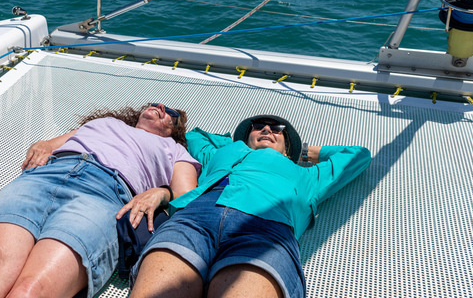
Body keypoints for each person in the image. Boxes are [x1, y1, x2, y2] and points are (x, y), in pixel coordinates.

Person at [0, 103, 200, 298]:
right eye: (155, 104)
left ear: (174, 131)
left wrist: (162, 193)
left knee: (32, 289)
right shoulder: (106, 123)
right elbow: (48, 144)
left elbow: (188, 196)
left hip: (104, 193)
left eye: (170, 113)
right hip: (45, 176)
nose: (160, 107)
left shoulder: (176, 150)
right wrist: (41, 145)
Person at [129, 114, 372, 298]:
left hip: (265, 230)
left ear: (288, 149)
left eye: (277, 130)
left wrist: (302, 152)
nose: (267, 129)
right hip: (194, 218)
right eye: (258, 127)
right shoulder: (219, 154)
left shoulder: (309, 177)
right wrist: (235, 144)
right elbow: (194, 136)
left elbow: (357, 155)